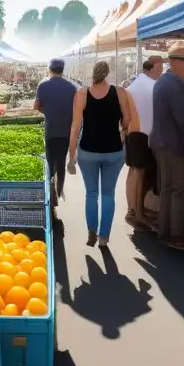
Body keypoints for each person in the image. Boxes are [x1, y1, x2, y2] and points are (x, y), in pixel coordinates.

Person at [68, 61, 130, 248]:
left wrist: (71, 155)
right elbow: (127, 119)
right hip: (114, 151)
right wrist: (122, 134)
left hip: (88, 151)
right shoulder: (119, 92)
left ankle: (91, 231)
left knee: (91, 194)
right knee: (108, 194)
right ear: (108, 74)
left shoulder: (82, 94)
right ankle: (104, 237)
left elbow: (75, 126)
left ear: (93, 74)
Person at [150, 45, 184, 251]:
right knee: (180, 190)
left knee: (167, 188)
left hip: (160, 143)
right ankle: (176, 236)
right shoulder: (176, 86)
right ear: (179, 61)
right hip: (175, 146)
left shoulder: (162, 81)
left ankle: (164, 231)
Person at [35, 58, 77, 215]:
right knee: (61, 163)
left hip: (50, 131)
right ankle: (59, 192)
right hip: (65, 132)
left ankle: (50, 195)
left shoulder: (43, 85)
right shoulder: (71, 87)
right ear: (63, 69)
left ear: (50, 69)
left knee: (50, 163)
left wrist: (49, 112)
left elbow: (36, 107)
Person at [124, 56, 162, 228]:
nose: (161, 71)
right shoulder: (153, 86)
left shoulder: (134, 84)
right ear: (153, 67)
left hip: (132, 132)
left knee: (132, 171)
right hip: (143, 135)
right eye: (160, 68)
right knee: (139, 174)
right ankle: (137, 213)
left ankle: (131, 208)